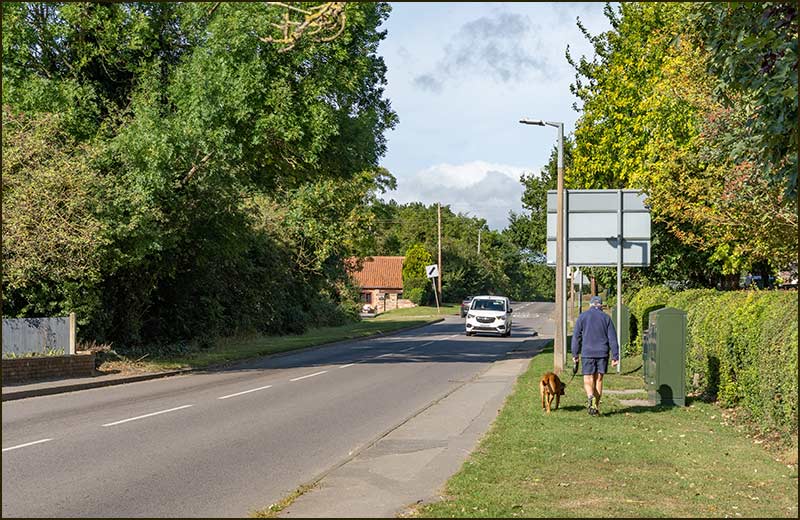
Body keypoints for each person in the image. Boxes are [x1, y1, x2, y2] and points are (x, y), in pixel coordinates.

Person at [571, 295, 619, 416]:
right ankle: (596, 407)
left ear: (590, 305)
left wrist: (575, 354)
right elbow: (612, 338)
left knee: (588, 378)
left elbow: (576, 337)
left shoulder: (582, 317)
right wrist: (615, 356)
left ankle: (590, 396)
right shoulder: (606, 318)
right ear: (601, 306)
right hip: (602, 353)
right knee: (599, 379)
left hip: (587, 352)